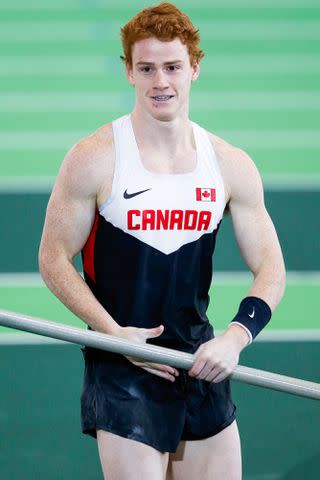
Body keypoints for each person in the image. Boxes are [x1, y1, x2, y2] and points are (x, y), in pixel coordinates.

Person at [38, 3, 286, 479]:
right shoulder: (94, 158)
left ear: (195, 67)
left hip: (201, 362)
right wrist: (113, 334)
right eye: (146, 68)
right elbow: (52, 259)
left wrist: (235, 338)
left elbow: (271, 268)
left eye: (172, 67)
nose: (161, 82)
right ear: (128, 71)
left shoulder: (229, 164)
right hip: (124, 366)